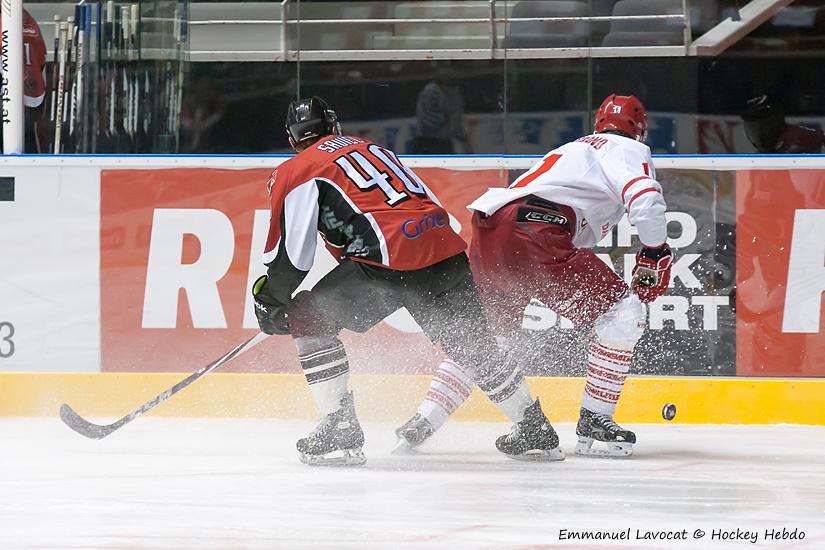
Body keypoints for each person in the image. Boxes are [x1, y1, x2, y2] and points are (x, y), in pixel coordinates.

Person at [252, 96, 564, 466]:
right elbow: (425, 201)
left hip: (388, 258)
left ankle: (339, 428)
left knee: (309, 318)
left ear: (293, 139)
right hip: (443, 247)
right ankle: (533, 428)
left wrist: (272, 300)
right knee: (473, 345)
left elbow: (292, 257)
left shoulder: (296, 170)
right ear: (333, 125)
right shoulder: (372, 148)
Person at [396, 94, 673, 458]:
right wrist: (655, 249)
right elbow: (646, 199)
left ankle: (424, 420)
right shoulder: (627, 149)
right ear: (639, 130)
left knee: (487, 337)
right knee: (624, 314)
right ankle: (595, 420)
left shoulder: (573, 149)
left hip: (490, 229)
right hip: (535, 229)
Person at [0, 8, 47, 153]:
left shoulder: (8, 19)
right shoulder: (25, 18)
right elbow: (41, 57)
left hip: (10, 94)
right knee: (27, 139)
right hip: (30, 92)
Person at [741, 94, 825, 154]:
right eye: (753, 126)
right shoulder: (759, 156)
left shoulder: (799, 140)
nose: (759, 132)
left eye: (765, 123)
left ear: (779, 119)